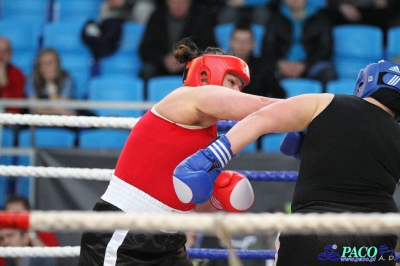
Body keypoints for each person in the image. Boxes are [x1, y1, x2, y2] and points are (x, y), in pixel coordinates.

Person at [173, 59, 400, 265]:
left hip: (314, 229)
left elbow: (261, 119)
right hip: (376, 235)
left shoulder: (326, 102)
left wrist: (211, 159)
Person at [79, 37, 279, 265]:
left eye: (240, 87)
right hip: (125, 229)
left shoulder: (209, 136)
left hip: (170, 239)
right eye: (232, 82)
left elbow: (192, 204)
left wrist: (217, 199)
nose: (238, 91)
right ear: (208, 76)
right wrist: (308, 112)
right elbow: (260, 109)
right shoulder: (188, 98)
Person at [261, 0, 338, 92]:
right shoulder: (275, 18)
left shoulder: (321, 19)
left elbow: (325, 49)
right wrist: (280, 63)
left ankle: (324, 106)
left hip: (310, 66)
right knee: (260, 71)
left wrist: (304, 65)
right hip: (281, 66)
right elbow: (267, 47)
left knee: (328, 73)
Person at [138, 0, 218, 81]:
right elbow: (145, 48)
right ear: (167, 2)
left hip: (190, 65)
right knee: (147, 71)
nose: (178, 5)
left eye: (182, 2)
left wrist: (186, 59)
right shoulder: (157, 17)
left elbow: (209, 48)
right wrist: (163, 59)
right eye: (174, 2)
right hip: (162, 65)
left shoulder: (202, 18)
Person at [229, 23, 286, 99]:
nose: (241, 45)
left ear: (254, 44)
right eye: (238, 41)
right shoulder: (221, 65)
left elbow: (280, 94)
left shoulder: (264, 66)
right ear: (230, 42)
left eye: (246, 41)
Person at [24, 48, 76, 116]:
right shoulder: (32, 78)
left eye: (49, 63)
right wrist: (57, 112)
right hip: (40, 120)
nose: (45, 68)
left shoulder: (66, 79)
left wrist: (50, 83)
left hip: (62, 121)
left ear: (58, 64)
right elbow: (34, 109)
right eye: (41, 64)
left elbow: (60, 107)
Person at [0, 37, 25, 114]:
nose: (1, 55)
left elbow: (14, 109)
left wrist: (4, 84)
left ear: (11, 54)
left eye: (5, 51)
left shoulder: (18, 74)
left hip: (10, 120)